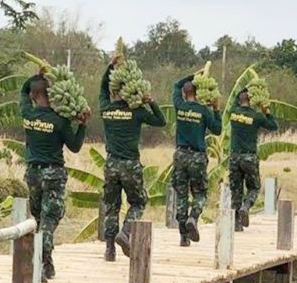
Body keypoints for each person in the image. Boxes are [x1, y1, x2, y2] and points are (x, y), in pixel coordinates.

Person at [20, 71, 89, 282]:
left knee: (40, 217)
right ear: (51, 94)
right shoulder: (59, 121)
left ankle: (47, 265)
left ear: (33, 96)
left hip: (33, 173)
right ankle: (40, 263)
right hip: (53, 173)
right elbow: (75, 146)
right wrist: (83, 124)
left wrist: (33, 77)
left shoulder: (27, 114)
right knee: (49, 221)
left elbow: (23, 91)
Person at [99, 56, 166, 261]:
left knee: (111, 206)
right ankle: (126, 231)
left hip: (111, 164)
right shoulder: (136, 111)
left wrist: (110, 66)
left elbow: (102, 89)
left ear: (112, 91)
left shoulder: (106, 109)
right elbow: (161, 121)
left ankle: (109, 249)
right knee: (138, 202)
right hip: (130, 164)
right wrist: (150, 101)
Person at [171, 73, 222, 246]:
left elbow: (176, 85)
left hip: (180, 156)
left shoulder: (179, 106)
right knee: (200, 193)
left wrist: (193, 74)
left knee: (182, 195)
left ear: (185, 94)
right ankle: (193, 217)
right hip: (197, 157)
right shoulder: (204, 111)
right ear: (198, 92)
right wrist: (216, 109)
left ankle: (183, 237)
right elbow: (217, 130)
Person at [229, 89, 278, 231]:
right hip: (249, 157)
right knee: (254, 187)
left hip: (234, 157)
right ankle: (246, 206)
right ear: (252, 101)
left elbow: (234, 99)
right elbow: (274, 126)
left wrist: (244, 88)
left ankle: (237, 224)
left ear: (239, 100)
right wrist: (266, 111)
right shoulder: (256, 117)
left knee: (236, 190)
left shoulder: (233, 112)